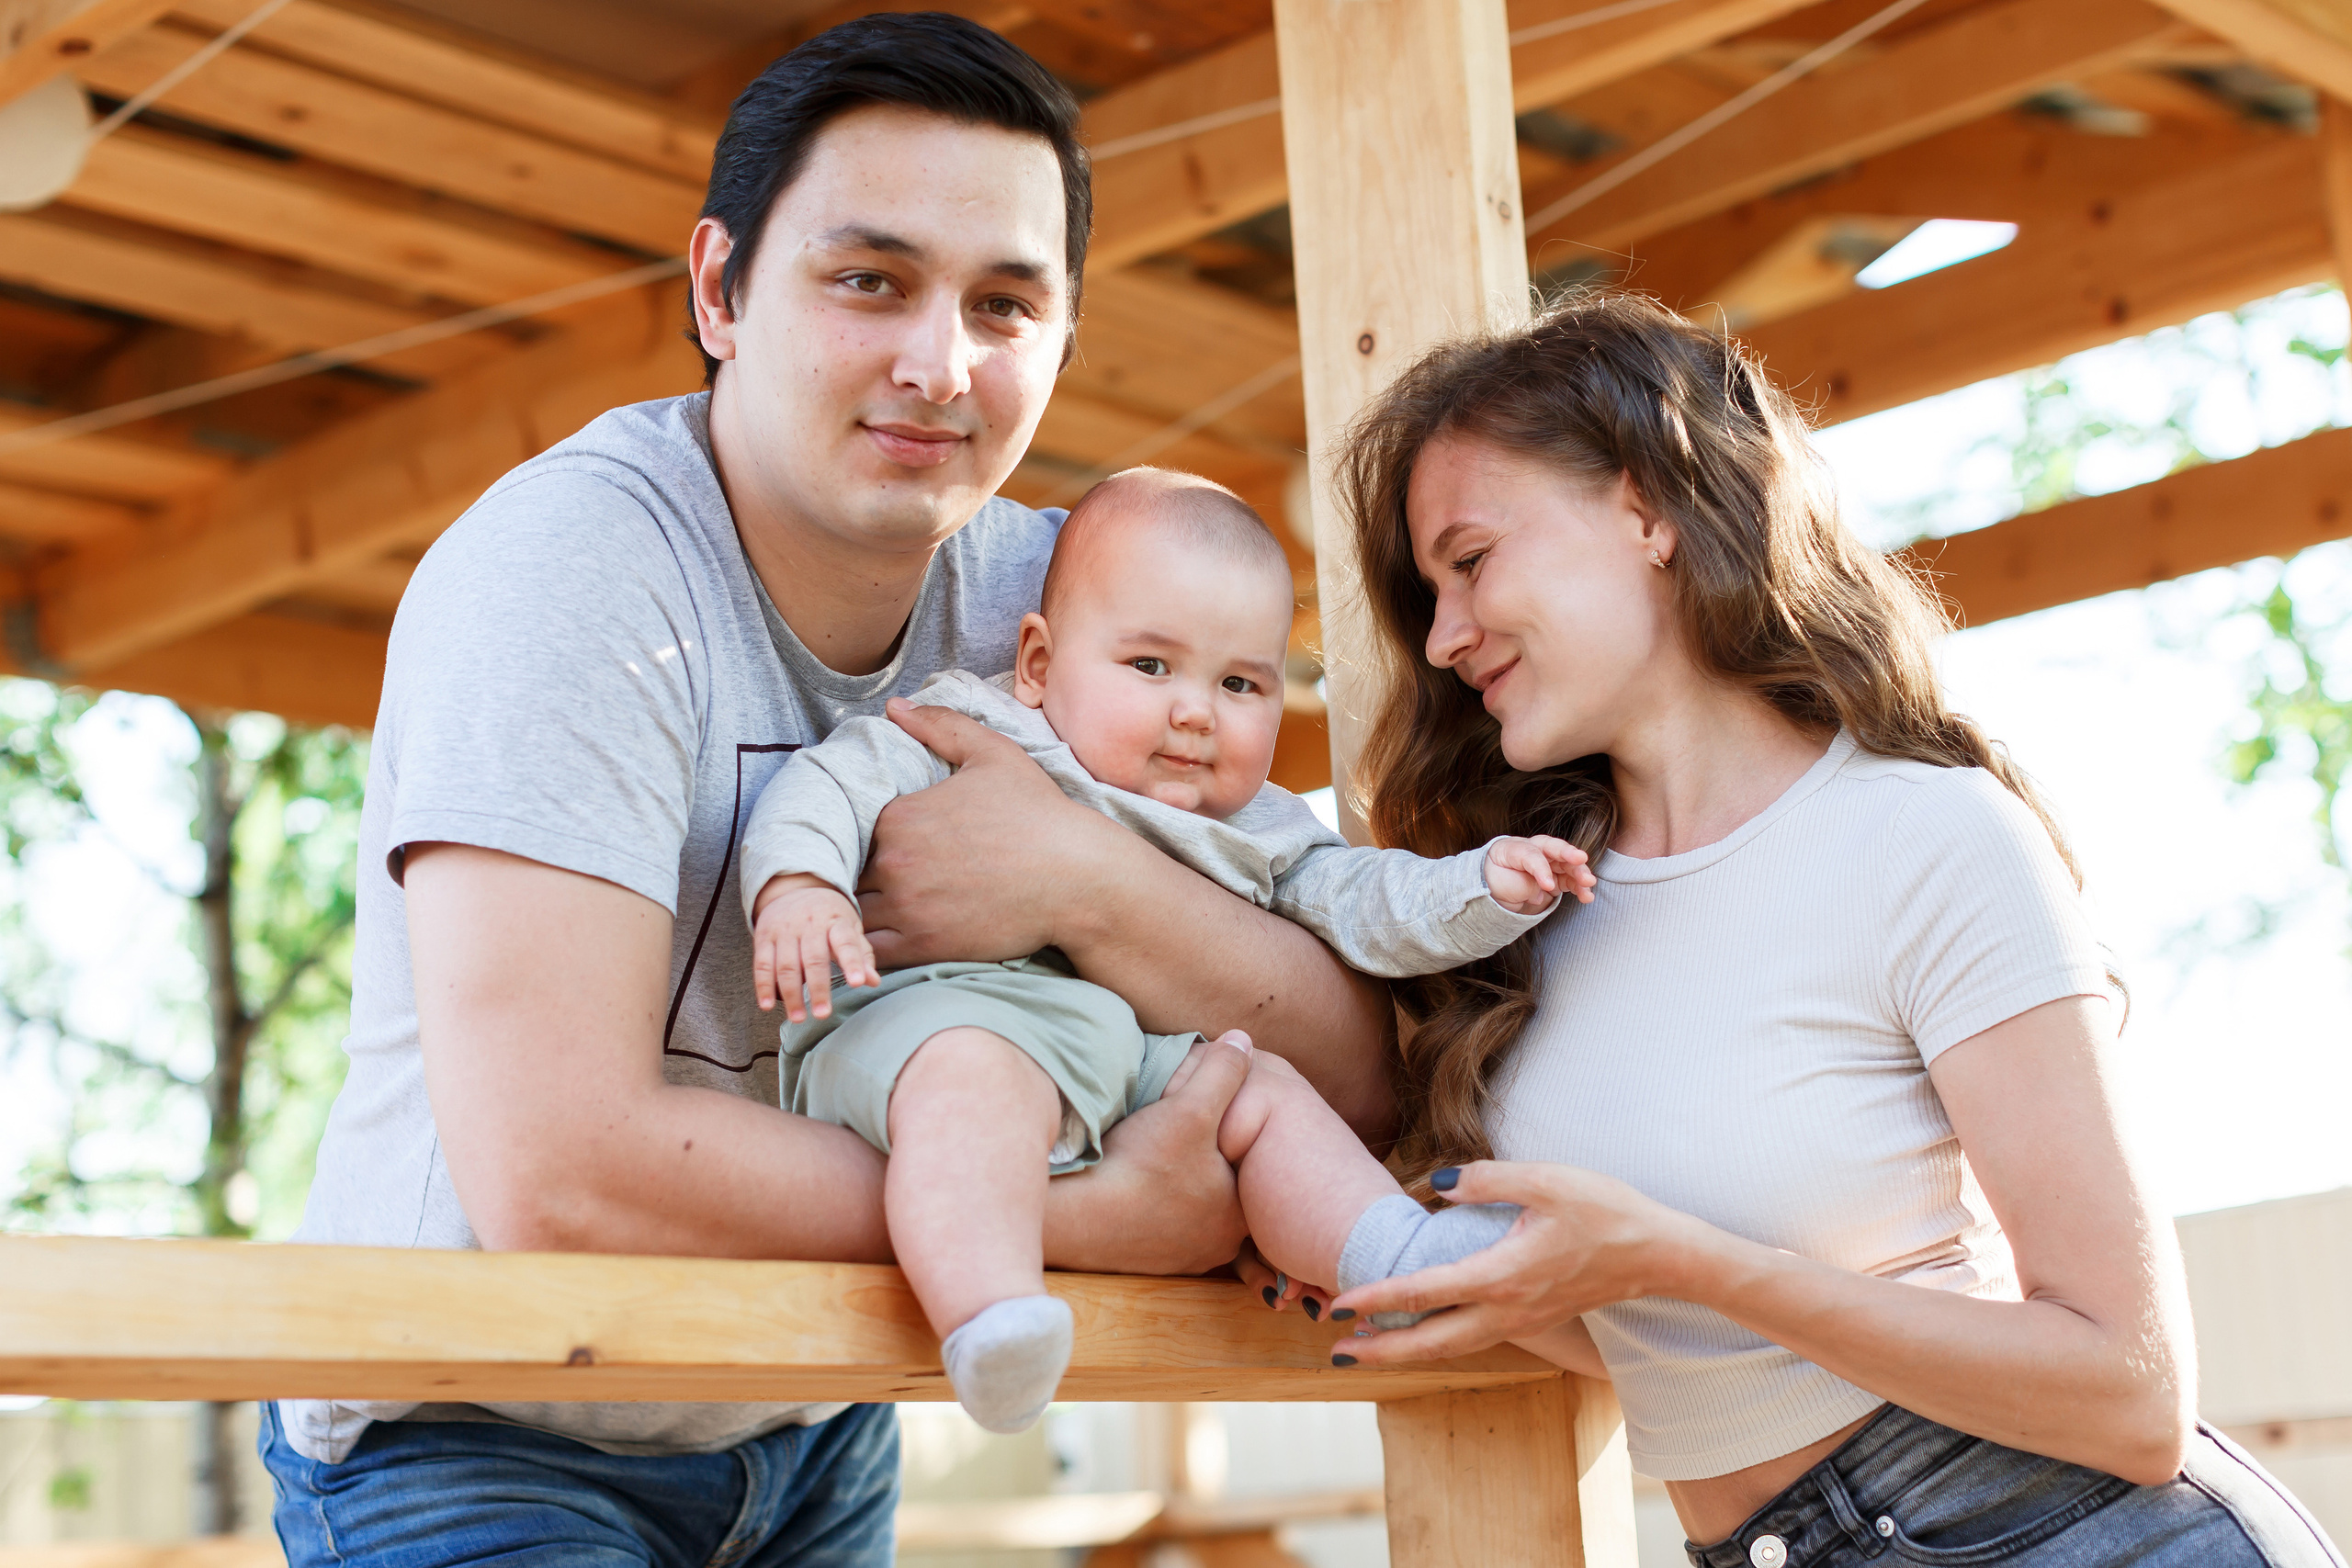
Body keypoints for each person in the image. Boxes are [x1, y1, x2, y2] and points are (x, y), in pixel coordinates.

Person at [258, 17, 1396, 1568]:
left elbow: (1356, 1063)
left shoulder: (1067, 613)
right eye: (871, 280)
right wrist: (1093, 1221)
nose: (939, 363)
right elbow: (565, 1168)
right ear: (719, 291)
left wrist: (1080, 881)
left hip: (806, 1417)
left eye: (1005, 303)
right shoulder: (573, 576)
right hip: (476, 1423)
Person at [1306, 292, 2346, 1568]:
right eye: (1429, 594)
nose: (1448, 635)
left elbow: (2127, 1391)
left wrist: (1686, 1261)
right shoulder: (1520, 909)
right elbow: (1654, 1340)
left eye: (1469, 561)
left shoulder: (1928, 838)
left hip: (2058, 1528)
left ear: (1647, 511)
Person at [739, 466, 1593, 1432]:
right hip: (940, 1020)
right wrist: (801, 885)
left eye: (1239, 683)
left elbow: (1366, 902)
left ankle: (1396, 1261)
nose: (1196, 711)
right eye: (1150, 667)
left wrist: (1478, 886)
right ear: (1035, 663)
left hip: (1130, 1066)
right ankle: (991, 1315)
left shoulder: (1267, 827)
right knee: (977, 1079)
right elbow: (831, 783)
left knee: (1258, 1091)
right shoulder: (978, 726)